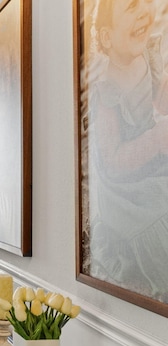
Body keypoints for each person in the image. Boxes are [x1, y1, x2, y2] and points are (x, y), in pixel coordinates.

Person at [88, 0, 168, 301]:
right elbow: (113, 162)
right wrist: (157, 141)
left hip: (154, 159)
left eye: (146, 2)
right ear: (107, 38)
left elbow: (158, 100)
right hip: (126, 191)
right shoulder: (107, 91)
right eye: (132, 6)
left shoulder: (147, 55)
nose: (143, 12)